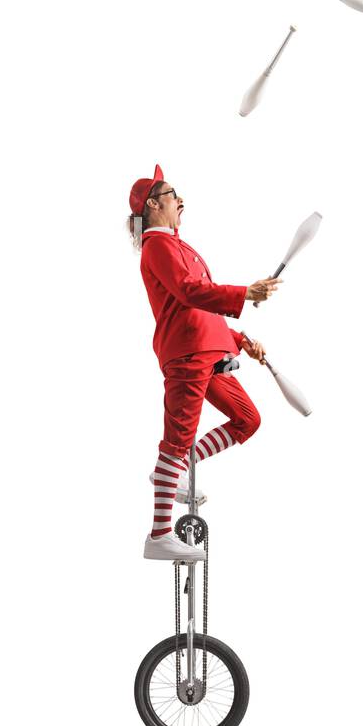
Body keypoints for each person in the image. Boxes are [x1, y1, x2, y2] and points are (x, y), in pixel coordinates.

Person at [126, 164, 284, 561]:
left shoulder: (178, 245)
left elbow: (199, 309)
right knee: (175, 440)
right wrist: (244, 293)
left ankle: (179, 469)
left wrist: (241, 340)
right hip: (188, 354)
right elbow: (190, 292)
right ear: (153, 205)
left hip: (209, 350)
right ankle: (159, 534)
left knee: (247, 419)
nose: (181, 200)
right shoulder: (158, 245)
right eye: (173, 194)